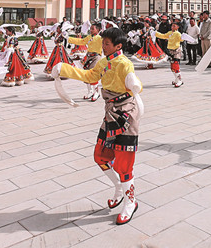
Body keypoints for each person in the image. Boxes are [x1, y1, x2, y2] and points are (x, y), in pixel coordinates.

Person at [53, 28, 144, 225]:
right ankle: (119, 188)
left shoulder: (124, 63)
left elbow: (134, 81)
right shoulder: (104, 62)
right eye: (103, 43)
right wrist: (64, 69)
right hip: (110, 113)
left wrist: (134, 82)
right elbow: (91, 77)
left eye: (107, 44)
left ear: (118, 46)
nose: (103, 46)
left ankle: (130, 201)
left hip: (126, 114)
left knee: (124, 164)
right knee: (100, 156)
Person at [69, 24, 104, 101]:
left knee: (93, 74)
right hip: (88, 56)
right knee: (87, 74)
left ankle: (96, 92)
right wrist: (68, 39)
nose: (91, 30)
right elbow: (81, 41)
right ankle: (90, 92)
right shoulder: (89, 37)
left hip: (96, 57)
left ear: (98, 30)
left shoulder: (100, 38)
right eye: (90, 29)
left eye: (93, 29)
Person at [156, 22, 184, 87]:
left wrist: (183, 37)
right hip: (170, 51)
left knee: (176, 65)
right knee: (172, 67)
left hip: (176, 51)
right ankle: (176, 79)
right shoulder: (170, 33)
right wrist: (156, 33)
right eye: (172, 26)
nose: (172, 27)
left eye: (174, 26)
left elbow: (181, 40)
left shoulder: (178, 33)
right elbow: (163, 36)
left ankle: (179, 80)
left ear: (177, 27)